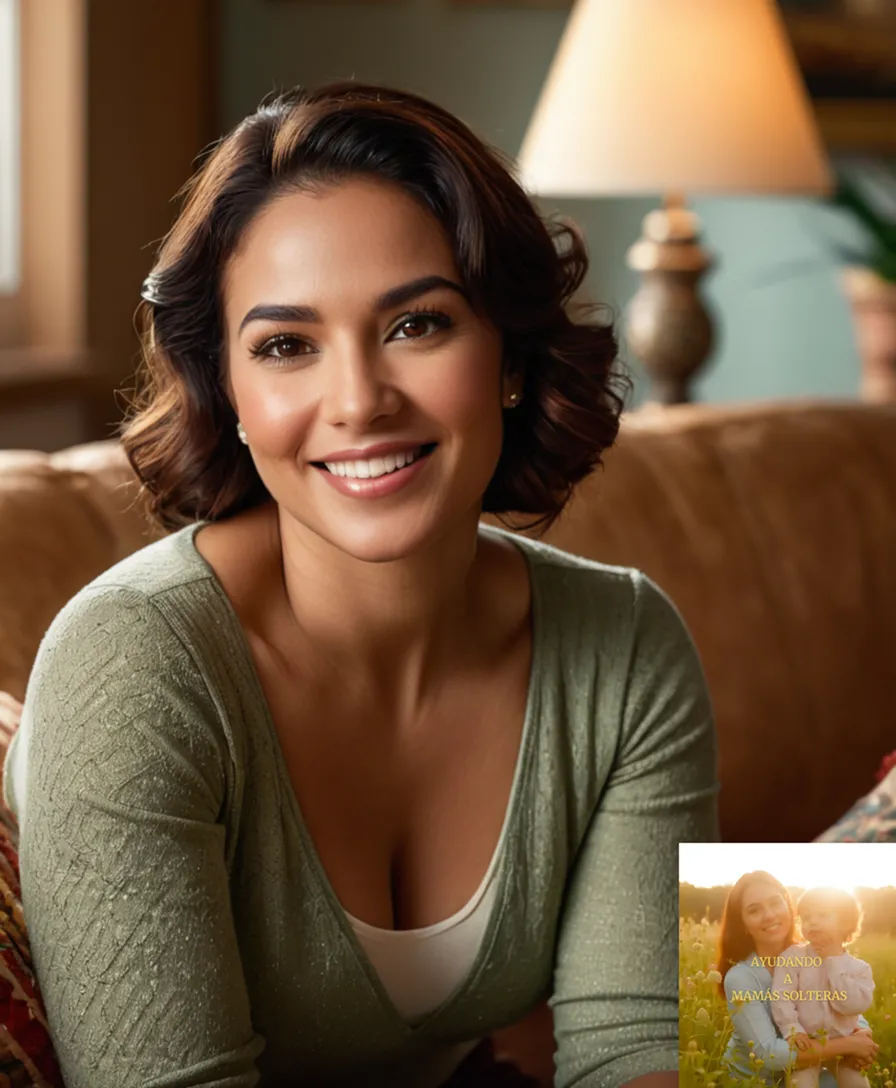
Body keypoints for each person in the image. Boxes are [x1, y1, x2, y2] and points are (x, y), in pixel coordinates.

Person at [1, 81, 719, 1088]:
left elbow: (634, 1052)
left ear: (506, 354)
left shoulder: (624, 646)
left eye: (416, 324)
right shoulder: (133, 667)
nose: (357, 402)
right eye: (286, 346)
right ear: (232, 394)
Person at [717, 872, 879, 1086]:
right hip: (757, 1080)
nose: (769, 915)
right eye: (754, 910)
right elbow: (768, 1053)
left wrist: (862, 1033)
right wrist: (849, 1045)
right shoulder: (740, 978)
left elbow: (838, 1003)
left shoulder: (816, 953)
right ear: (743, 924)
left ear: (788, 906)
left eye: (775, 903)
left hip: (809, 1065)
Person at [770, 887, 875, 1088]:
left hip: (844, 1048)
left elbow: (851, 1006)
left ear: (846, 923)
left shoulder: (859, 969)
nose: (813, 922)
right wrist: (793, 1030)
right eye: (807, 917)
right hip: (807, 1044)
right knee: (800, 1084)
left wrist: (833, 961)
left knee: (858, 1084)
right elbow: (781, 997)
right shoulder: (792, 958)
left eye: (823, 915)